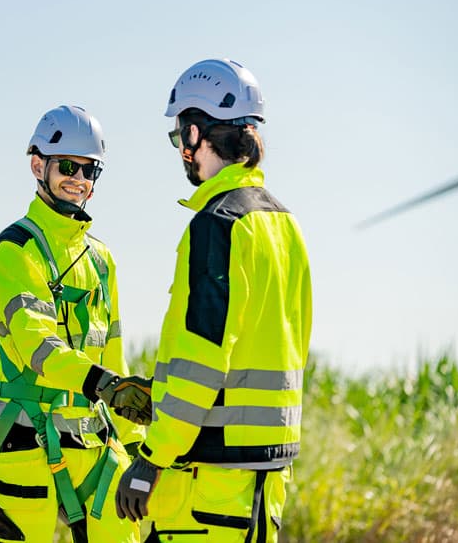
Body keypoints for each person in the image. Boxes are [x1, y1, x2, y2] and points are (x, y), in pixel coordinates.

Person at [114, 59, 313, 542]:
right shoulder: (284, 224)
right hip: (266, 477)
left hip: (209, 481)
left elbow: (201, 357)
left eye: (178, 137)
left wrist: (153, 455)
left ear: (195, 134)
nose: (180, 151)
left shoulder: (217, 226)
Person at [0, 105, 153, 543]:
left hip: (94, 443)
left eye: (90, 169)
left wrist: (135, 448)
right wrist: (105, 384)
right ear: (38, 165)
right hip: (25, 443)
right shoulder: (15, 251)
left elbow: (113, 350)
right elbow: (38, 345)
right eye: (68, 166)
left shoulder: (101, 260)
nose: (79, 178)